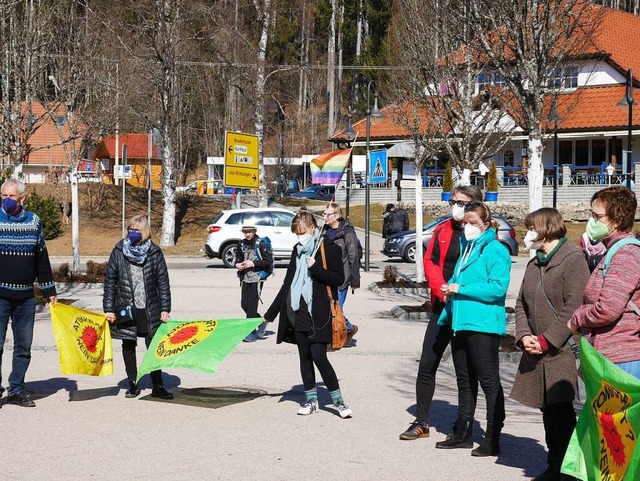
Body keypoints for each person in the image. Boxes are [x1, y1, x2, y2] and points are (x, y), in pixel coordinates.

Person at [399, 185, 484, 441]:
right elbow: (430, 262)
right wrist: (440, 288)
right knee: (427, 363)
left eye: (461, 202)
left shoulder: (483, 235)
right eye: (453, 201)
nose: (455, 206)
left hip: (466, 309)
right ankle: (422, 421)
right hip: (442, 305)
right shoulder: (442, 229)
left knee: (465, 370)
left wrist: (462, 290)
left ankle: (463, 425)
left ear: (476, 205)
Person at [511, 208, 589, 481]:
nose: (527, 233)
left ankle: (568, 469)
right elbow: (521, 302)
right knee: (547, 408)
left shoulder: (573, 258)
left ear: (546, 229)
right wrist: (524, 336)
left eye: (531, 227)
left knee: (561, 410)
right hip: (536, 349)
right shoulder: (534, 263)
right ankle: (554, 463)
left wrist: (547, 339)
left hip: (562, 349)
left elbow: (575, 305)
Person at [438, 202, 511, 456]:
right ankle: (463, 432)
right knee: (464, 380)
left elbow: (497, 288)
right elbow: (460, 279)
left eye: (472, 222)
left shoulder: (495, 250)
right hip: (460, 322)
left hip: (483, 324)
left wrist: (461, 289)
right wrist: (450, 285)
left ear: (486, 224)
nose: (467, 227)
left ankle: (492, 437)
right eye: (464, 222)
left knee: (489, 381)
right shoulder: (467, 248)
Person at [263, 210, 352, 418]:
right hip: (298, 310)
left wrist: (316, 268)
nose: (299, 236)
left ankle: (338, 401)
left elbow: (339, 279)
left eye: (301, 232)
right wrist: (270, 314)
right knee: (304, 356)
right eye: (296, 233)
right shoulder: (297, 250)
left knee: (319, 356)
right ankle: (311, 400)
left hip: (319, 312)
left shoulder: (328, 248)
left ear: (312, 228)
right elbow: (288, 283)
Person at [568, 186, 640, 379]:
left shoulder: (625, 254)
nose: (591, 221)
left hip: (620, 361)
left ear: (617, 221)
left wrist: (578, 317)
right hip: (608, 357)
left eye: (597, 216)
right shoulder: (613, 250)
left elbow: (607, 309)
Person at [0, 179, 57, 408]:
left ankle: (16, 389)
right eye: (3, 196)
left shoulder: (35, 222)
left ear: (22, 197)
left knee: (23, 346)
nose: (6, 200)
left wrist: (49, 290)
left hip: (25, 298)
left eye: (10, 196)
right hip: (0, 296)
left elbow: (41, 259)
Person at [103, 214, 173, 399]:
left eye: (137, 230)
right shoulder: (119, 250)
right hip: (126, 307)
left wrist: (165, 309)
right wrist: (109, 309)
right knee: (128, 344)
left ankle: (157, 385)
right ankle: (132, 383)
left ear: (145, 232)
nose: (133, 233)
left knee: (154, 346)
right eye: (130, 229)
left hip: (150, 307)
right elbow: (110, 282)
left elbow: (163, 283)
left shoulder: (155, 253)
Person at [322, 202, 360, 345]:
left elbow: (353, 256)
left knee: (337, 309)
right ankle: (348, 328)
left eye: (327, 214)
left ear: (336, 216)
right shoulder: (324, 231)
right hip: (326, 277)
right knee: (329, 309)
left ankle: (338, 337)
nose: (324, 217)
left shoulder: (347, 231)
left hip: (341, 278)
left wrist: (355, 280)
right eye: (324, 214)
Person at [235, 225, 273, 342]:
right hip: (245, 278)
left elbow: (268, 261)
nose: (247, 235)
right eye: (245, 232)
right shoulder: (241, 244)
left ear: (254, 232)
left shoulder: (260, 244)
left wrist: (253, 264)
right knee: (244, 305)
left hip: (257, 278)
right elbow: (238, 258)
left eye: (250, 232)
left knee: (252, 305)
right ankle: (260, 322)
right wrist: (237, 264)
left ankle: (250, 333)